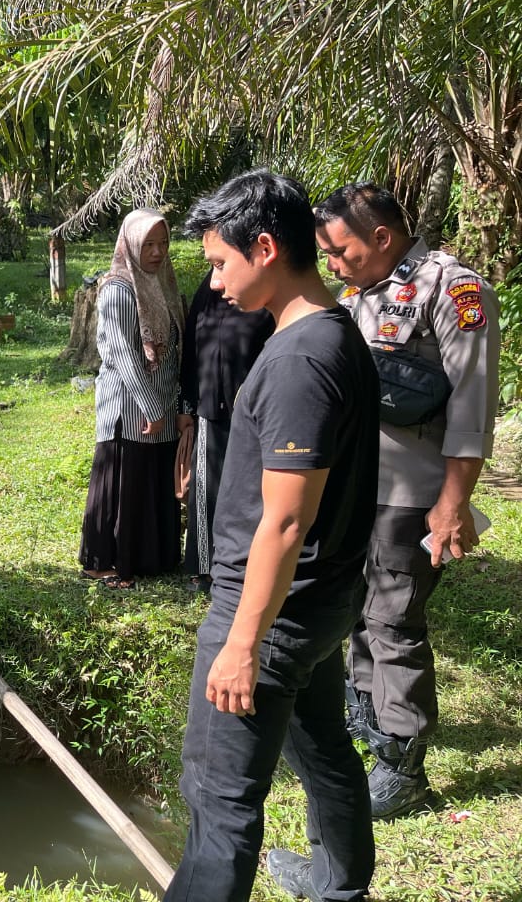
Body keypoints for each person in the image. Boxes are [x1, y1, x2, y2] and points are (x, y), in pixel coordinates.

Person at [166, 170, 377, 902]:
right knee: (323, 750)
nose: (217, 285)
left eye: (221, 264)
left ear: (265, 248)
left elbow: (285, 521)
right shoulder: (332, 332)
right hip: (320, 601)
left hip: (273, 610)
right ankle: (340, 887)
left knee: (219, 802)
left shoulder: (299, 361)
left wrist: (242, 643)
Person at [315, 183, 501, 819]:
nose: (332, 264)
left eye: (340, 251)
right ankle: (368, 718)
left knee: (394, 619)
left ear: (382, 239)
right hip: (358, 487)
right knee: (362, 609)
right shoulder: (357, 294)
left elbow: (473, 408)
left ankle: (402, 762)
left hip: (412, 493)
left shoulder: (454, 290)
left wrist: (453, 503)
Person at [78, 208, 184, 589]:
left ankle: (147, 559)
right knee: (122, 479)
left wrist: (171, 404)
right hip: (128, 407)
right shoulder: (119, 289)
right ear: (130, 245)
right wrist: (152, 406)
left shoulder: (163, 284)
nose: (157, 252)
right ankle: (104, 561)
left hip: (160, 403)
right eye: (148, 245)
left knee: (150, 479)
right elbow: (122, 354)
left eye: (163, 244)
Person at [178, 280, 275, 594]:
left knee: (252, 493)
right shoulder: (207, 291)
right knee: (206, 491)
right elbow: (191, 352)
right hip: (211, 406)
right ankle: (204, 568)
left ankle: (249, 565)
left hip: (255, 410)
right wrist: (187, 405)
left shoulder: (265, 291)